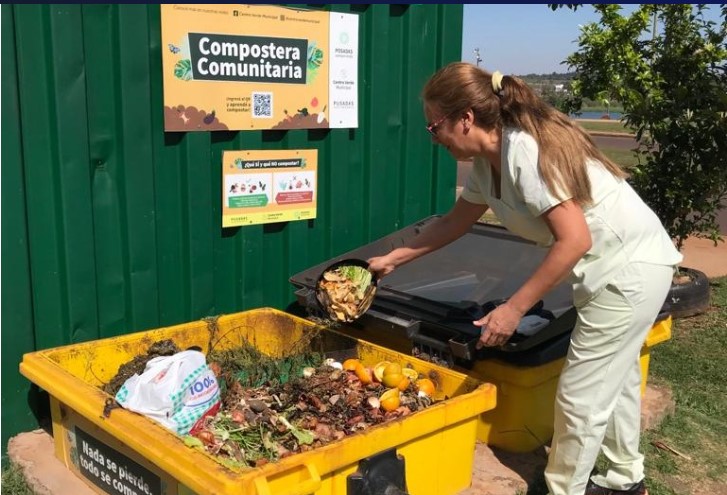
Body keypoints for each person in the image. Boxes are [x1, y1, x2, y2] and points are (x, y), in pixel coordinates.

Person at [367, 62, 682, 495]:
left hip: (629, 269)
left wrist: (512, 309)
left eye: (434, 126)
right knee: (618, 377)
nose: (433, 138)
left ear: (466, 118)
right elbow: (453, 224)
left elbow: (573, 239)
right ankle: (626, 478)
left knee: (580, 398)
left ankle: (562, 489)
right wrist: (393, 259)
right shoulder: (487, 163)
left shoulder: (524, 153)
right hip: (612, 267)